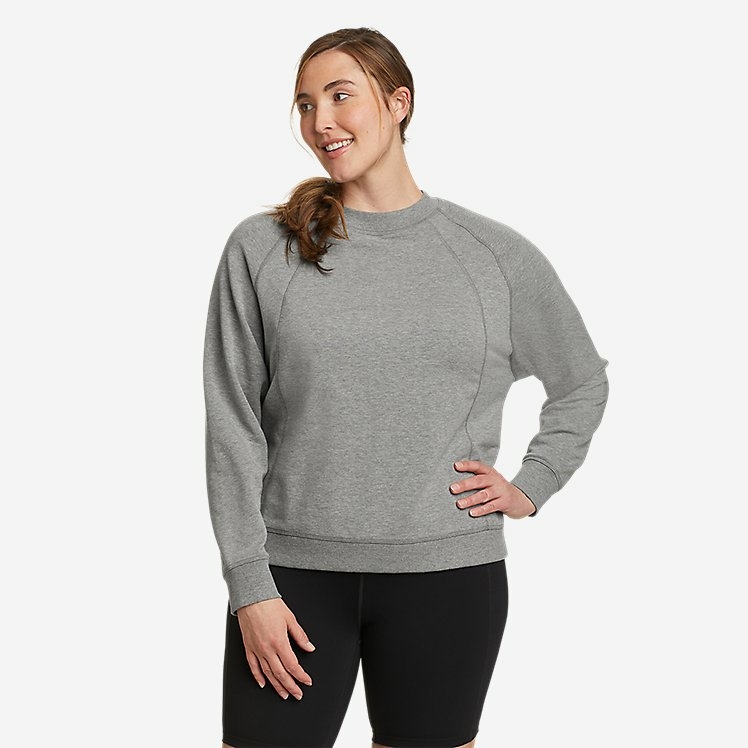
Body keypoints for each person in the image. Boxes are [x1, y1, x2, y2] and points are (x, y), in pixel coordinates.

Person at [203, 26, 610, 748]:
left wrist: (533, 483)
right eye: (305, 104)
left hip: (448, 578)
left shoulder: (493, 257)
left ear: (399, 103)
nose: (320, 121)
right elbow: (233, 424)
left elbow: (580, 381)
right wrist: (248, 583)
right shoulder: (263, 249)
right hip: (293, 579)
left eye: (341, 96)